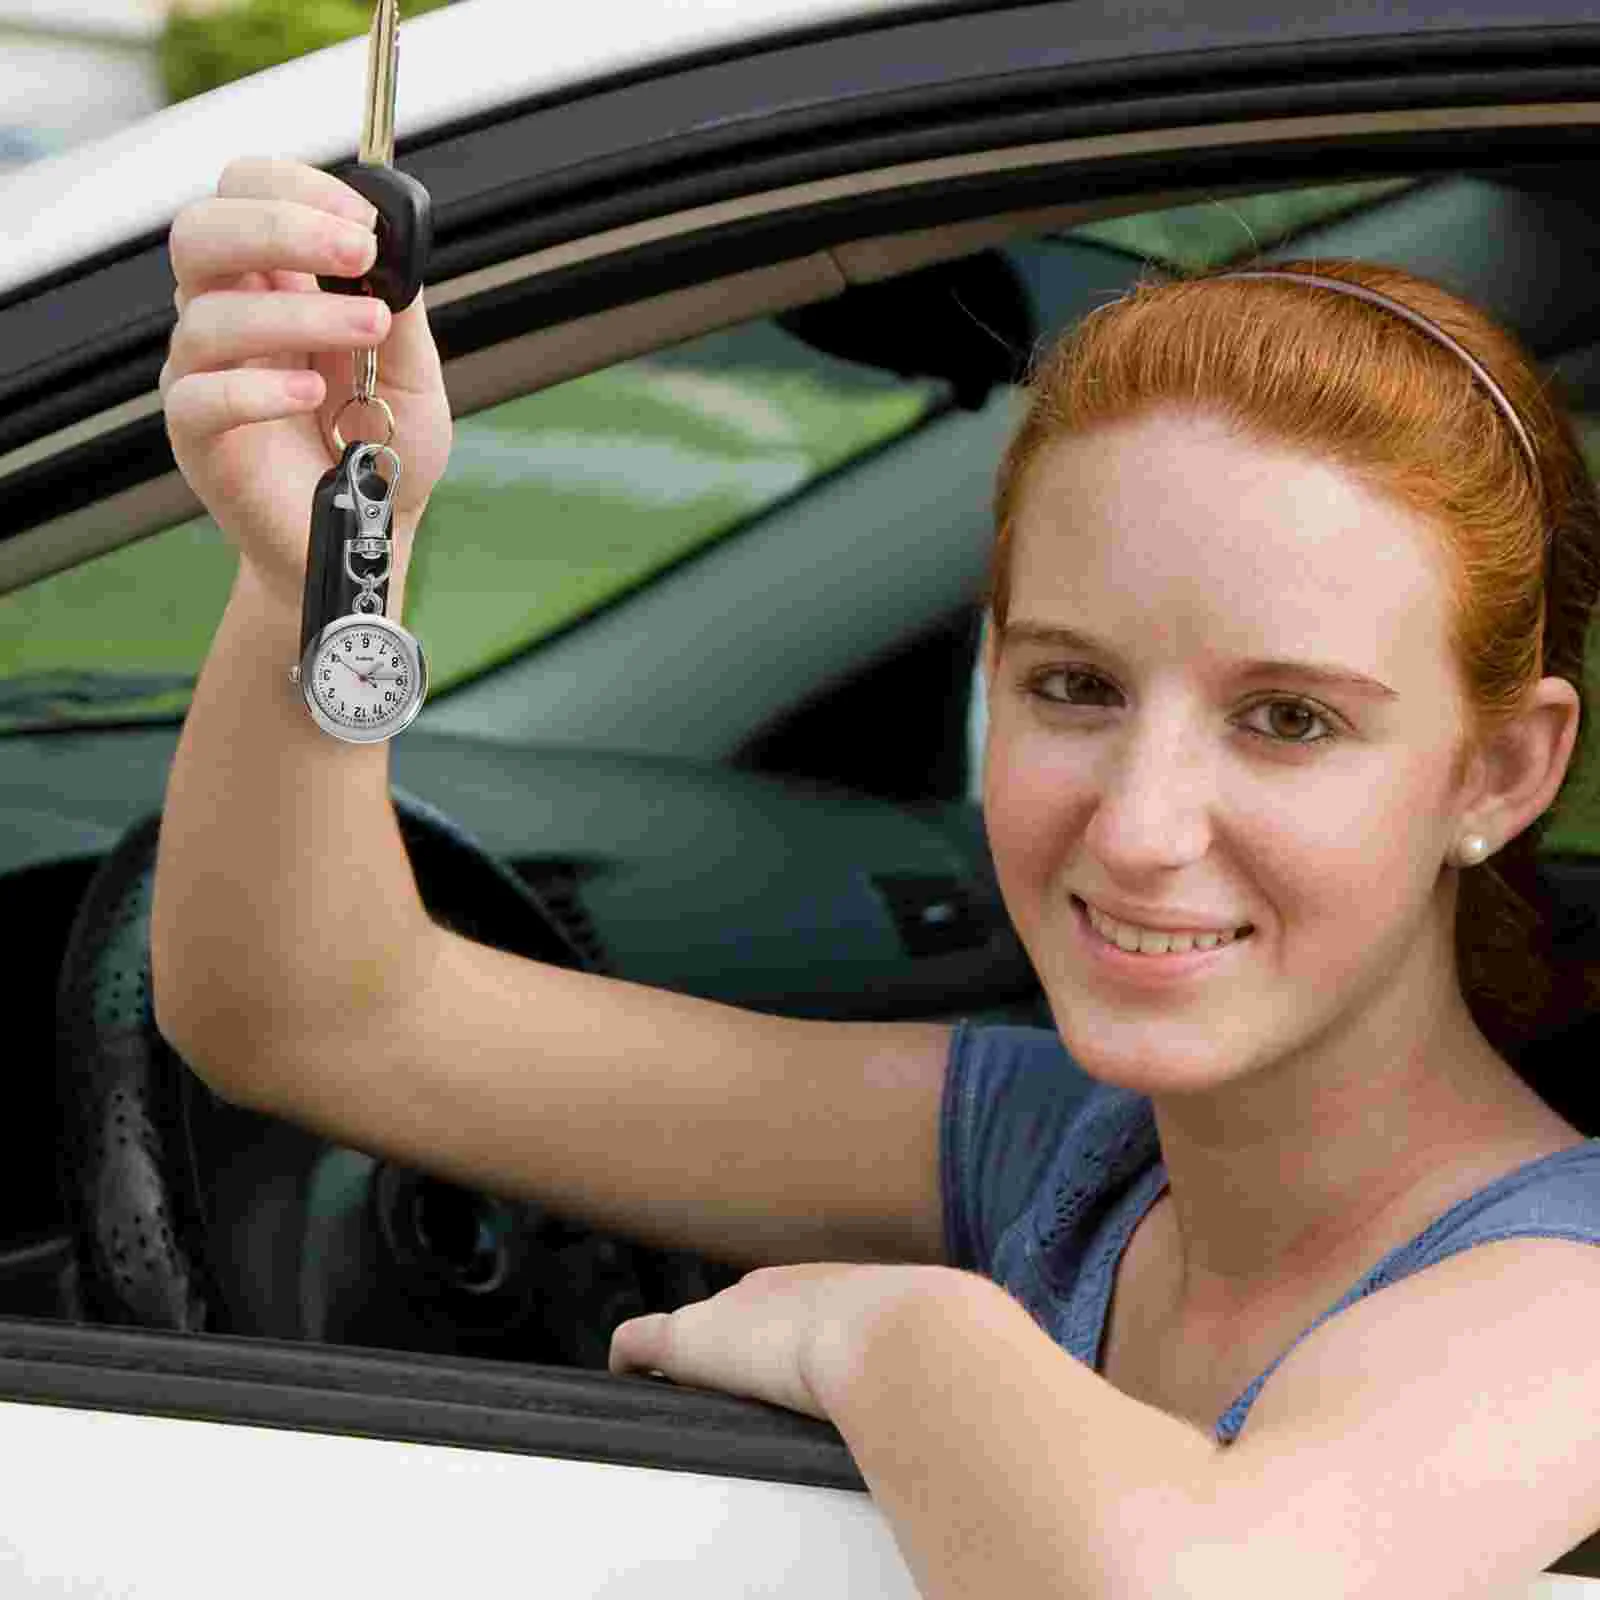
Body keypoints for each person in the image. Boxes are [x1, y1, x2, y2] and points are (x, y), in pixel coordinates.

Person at [152, 157, 1600, 1594]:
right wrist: (328, 570)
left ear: (1501, 773)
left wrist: (888, 1338)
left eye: (1290, 720)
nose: (1142, 827)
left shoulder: (1565, 1290)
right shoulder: (1068, 1154)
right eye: (1074, 688)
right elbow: (312, 1018)